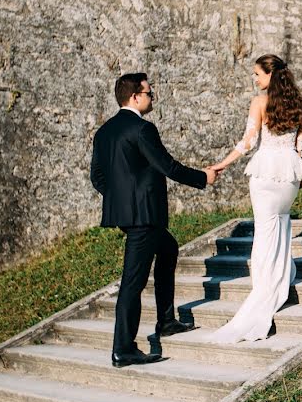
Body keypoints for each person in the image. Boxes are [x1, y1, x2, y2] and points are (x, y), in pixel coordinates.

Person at [91, 73, 217, 368]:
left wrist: (120, 199)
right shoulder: (141, 129)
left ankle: (166, 321)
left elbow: (97, 177)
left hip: (132, 216)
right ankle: (123, 349)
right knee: (132, 283)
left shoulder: (104, 132)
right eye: (149, 92)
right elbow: (168, 167)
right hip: (144, 217)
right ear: (134, 97)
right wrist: (204, 178)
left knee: (168, 248)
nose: (152, 96)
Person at [207, 54, 302, 343]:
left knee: (265, 235)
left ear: (269, 75)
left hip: (266, 174)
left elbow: (248, 142)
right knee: (283, 226)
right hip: (289, 173)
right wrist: (298, 178)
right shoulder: (298, 104)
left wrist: (222, 165)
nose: (254, 79)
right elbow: (300, 146)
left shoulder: (259, 102)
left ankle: (264, 290)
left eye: (257, 74)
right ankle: (279, 280)